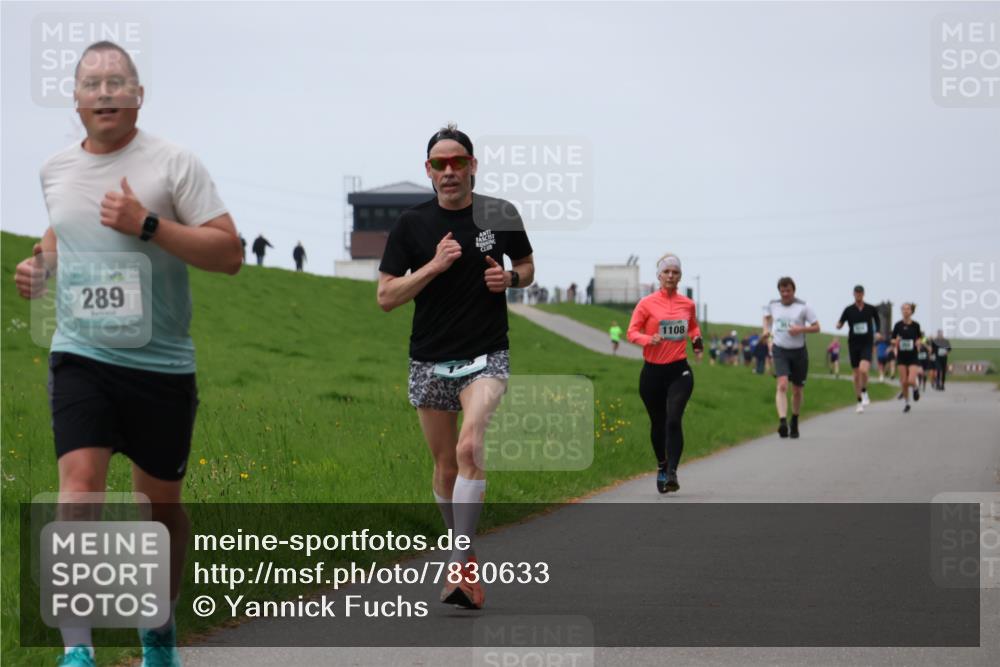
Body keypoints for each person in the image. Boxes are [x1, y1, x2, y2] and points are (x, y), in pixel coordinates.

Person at [13, 41, 242, 667]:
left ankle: (158, 628)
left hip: (161, 365)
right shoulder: (55, 170)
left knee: (158, 509)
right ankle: (77, 650)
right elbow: (62, 228)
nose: (105, 92)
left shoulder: (174, 164)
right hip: (80, 355)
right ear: (76, 100)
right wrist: (41, 266)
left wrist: (147, 224)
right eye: (93, 83)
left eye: (118, 82)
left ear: (139, 95)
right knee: (78, 491)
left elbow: (229, 254)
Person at [376, 124, 534, 610]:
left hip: (486, 354)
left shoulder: (499, 214)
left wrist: (509, 278)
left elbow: (528, 267)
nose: (449, 171)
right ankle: (463, 557)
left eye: (458, 162)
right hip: (429, 358)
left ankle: (458, 562)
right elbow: (385, 296)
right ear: (428, 170)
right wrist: (434, 266)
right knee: (445, 469)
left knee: (470, 446)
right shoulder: (411, 225)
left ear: (472, 165)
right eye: (439, 164)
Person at [627, 253, 703, 493]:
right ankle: (662, 464)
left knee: (673, 419)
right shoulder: (646, 303)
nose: (671, 276)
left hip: (679, 371)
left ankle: (672, 473)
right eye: (666, 272)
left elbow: (693, 327)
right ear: (659, 276)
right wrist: (649, 339)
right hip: (652, 373)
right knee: (658, 423)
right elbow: (631, 332)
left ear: (680, 276)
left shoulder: (687, 304)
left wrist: (697, 341)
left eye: (675, 272)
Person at [764, 277, 820, 438]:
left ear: (793, 291)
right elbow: (766, 318)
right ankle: (782, 421)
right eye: (782, 291)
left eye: (788, 290)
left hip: (799, 352)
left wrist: (800, 329)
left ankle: (794, 420)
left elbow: (817, 327)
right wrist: (766, 331)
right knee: (782, 385)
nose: (785, 294)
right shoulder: (773, 305)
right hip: (780, 350)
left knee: (797, 390)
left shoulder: (803, 306)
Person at [836, 285, 881, 413]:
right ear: (853, 294)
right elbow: (841, 321)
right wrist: (839, 325)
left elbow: (877, 320)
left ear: (863, 294)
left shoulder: (870, 308)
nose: (858, 295)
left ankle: (864, 391)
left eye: (860, 293)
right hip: (853, 344)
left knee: (863, 369)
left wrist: (877, 331)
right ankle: (859, 401)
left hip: (867, 343)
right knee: (856, 375)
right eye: (856, 293)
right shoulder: (848, 310)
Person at [891, 303, 923, 413]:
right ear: (901, 311)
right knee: (904, 382)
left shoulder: (916, 325)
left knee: (911, 380)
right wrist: (896, 341)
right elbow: (892, 339)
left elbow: (919, 338)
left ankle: (915, 388)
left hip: (913, 356)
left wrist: (918, 342)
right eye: (903, 309)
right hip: (901, 357)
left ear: (911, 311)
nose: (905, 311)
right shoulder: (898, 325)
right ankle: (907, 403)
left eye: (908, 309)